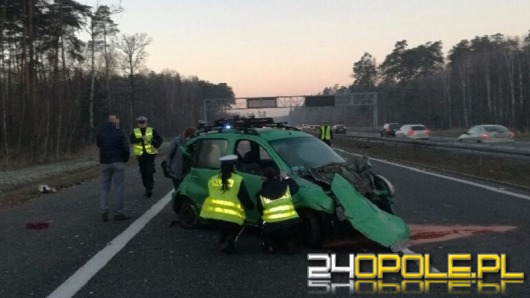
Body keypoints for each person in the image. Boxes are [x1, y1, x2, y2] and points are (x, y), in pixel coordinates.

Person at [199, 154, 254, 254]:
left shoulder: (212, 179)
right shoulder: (237, 179)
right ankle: (229, 242)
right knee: (239, 224)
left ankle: (222, 242)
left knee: (223, 225)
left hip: (212, 214)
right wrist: (251, 206)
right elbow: (244, 198)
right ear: (233, 166)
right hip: (231, 215)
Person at [255, 167, 301, 254]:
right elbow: (295, 187)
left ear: (264, 178)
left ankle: (270, 246)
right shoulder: (285, 187)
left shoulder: (261, 194)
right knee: (289, 231)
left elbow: (260, 211)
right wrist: (286, 177)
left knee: (260, 222)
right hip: (291, 222)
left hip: (272, 226)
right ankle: (289, 244)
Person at [96, 115, 131, 222]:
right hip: (118, 161)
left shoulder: (101, 131)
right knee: (118, 188)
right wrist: (125, 159)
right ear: (116, 122)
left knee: (104, 188)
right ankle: (118, 213)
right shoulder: (120, 132)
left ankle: (104, 211)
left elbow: (99, 144)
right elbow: (126, 147)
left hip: (105, 162)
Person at [130, 116, 163, 197]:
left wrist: (155, 146)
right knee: (143, 172)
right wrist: (140, 139)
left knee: (149, 172)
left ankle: (149, 190)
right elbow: (131, 140)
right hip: (140, 155)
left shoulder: (151, 130)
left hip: (150, 154)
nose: (142, 124)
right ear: (138, 123)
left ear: (146, 123)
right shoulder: (135, 131)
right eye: (140, 123)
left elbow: (160, 139)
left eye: (143, 123)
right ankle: (146, 186)